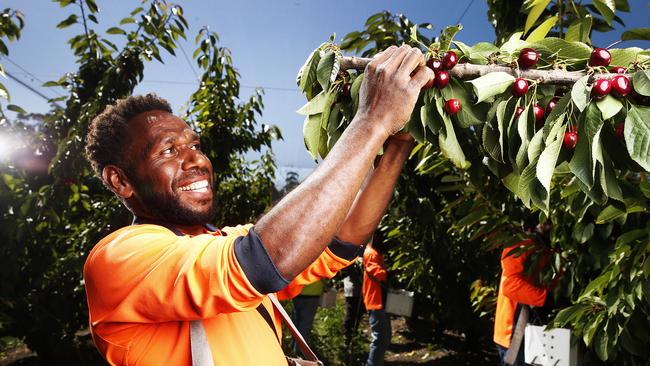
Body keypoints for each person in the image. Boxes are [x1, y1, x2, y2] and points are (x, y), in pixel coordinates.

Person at [83, 44, 433, 366]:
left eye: (196, 145)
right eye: (169, 150)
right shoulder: (118, 258)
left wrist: (397, 140)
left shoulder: (221, 242)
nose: (197, 160)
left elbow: (341, 238)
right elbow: (263, 261)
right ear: (121, 181)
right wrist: (372, 121)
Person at [493, 220, 554, 366]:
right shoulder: (521, 244)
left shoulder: (547, 247)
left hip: (532, 330)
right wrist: (544, 298)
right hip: (515, 334)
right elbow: (510, 285)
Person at [363, 233, 391, 366]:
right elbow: (378, 274)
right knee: (380, 338)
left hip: (376, 299)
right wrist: (392, 272)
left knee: (383, 337)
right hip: (375, 300)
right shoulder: (372, 253)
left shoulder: (372, 252)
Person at [291, 280, 325, 351]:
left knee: (296, 320)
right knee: (305, 324)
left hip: (297, 292)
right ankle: (298, 350)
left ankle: (293, 345)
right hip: (313, 294)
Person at [342, 259, 364, 347]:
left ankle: (352, 335)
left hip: (356, 290)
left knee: (357, 314)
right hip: (353, 290)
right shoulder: (352, 259)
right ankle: (347, 337)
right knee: (351, 314)